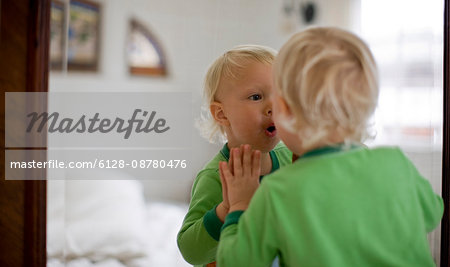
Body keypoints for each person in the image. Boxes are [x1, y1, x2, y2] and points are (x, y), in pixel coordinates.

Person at [217, 27, 444, 266]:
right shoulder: (396, 164)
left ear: (284, 109)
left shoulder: (278, 191)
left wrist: (240, 204)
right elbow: (432, 213)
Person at [177, 45, 293, 267]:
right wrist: (225, 210)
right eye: (256, 96)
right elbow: (191, 252)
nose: (273, 107)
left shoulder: (293, 157)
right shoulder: (216, 176)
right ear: (222, 114)